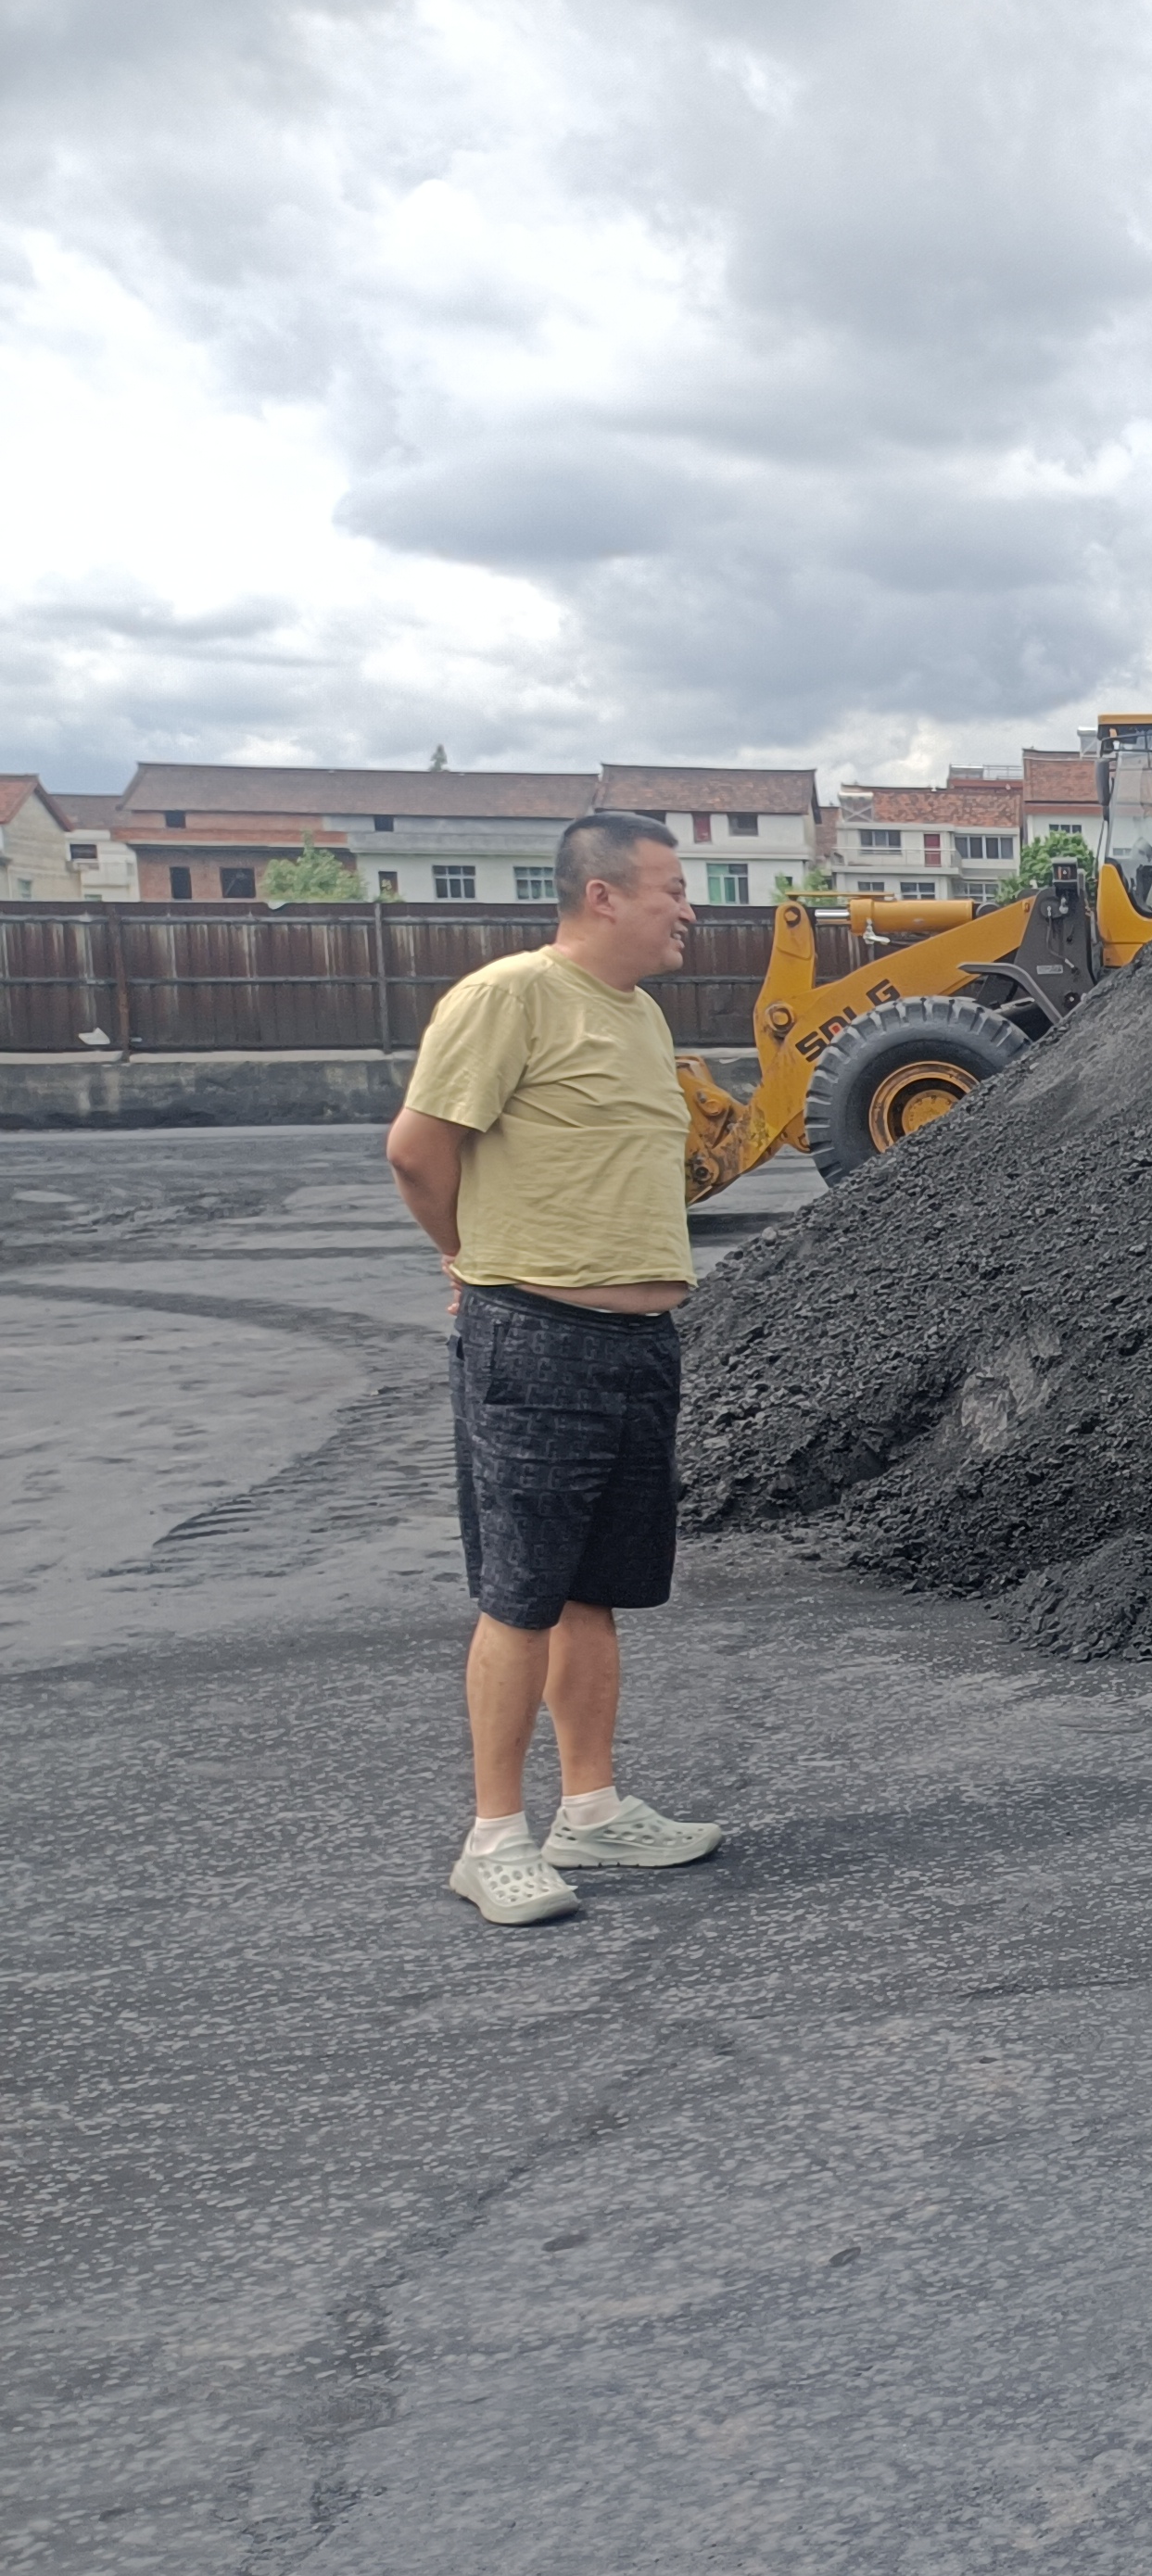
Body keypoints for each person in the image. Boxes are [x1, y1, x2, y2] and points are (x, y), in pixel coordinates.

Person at [385, 812, 724, 1926]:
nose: (690, 907)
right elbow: (417, 1148)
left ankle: (593, 1808)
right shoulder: (508, 996)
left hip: (639, 1341)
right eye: (673, 887)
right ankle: (493, 1837)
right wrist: (466, 1258)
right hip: (535, 1334)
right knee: (521, 1590)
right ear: (604, 896)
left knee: (597, 1586)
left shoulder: (637, 1015)